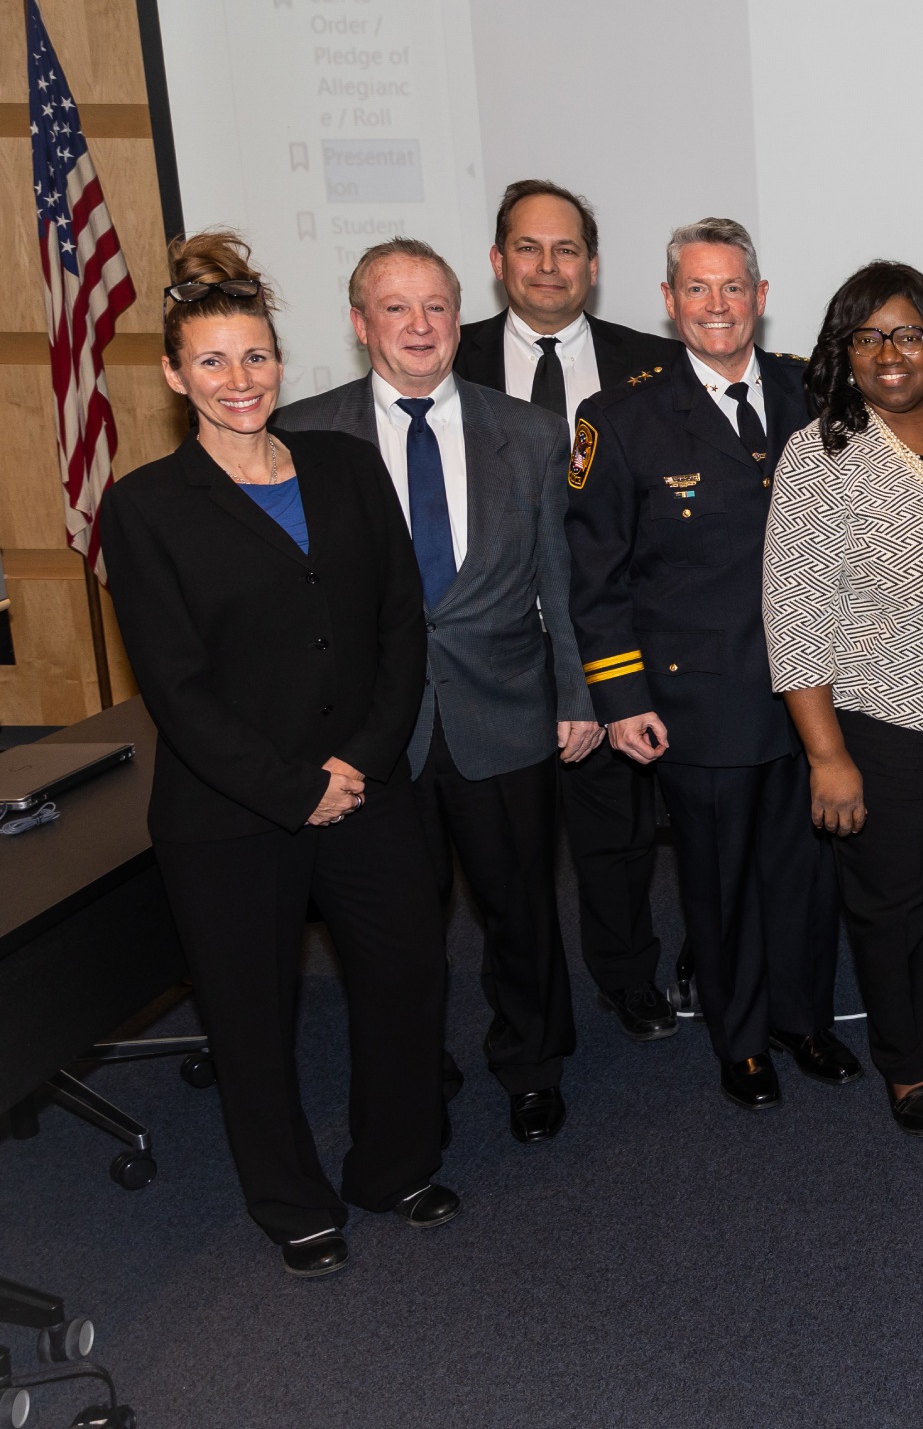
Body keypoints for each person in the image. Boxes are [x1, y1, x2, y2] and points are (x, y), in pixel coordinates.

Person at [103, 231, 457, 1279]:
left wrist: (361, 758)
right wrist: (293, 787)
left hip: (371, 784)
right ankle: (291, 1202)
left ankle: (393, 1168)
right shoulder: (145, 507)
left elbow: (402, 622)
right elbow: (177, 686)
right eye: (211, 361)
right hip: (233, 813)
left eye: (255, 357)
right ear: (175, 375)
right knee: (253, 1019)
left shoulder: (346, 467)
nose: (239, 380)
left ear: (280, 361)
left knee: (408, 981)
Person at [275, 238, 597, 1147]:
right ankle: (420, 1067)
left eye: (437, 308)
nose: (419, 326)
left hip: (505, 711)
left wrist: (578, 695)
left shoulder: (529, 432)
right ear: (358, 322)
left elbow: (561, 580)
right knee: (393, 923)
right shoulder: (305, 435)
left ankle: (532, 1064)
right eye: (396, 308)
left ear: (461, 318)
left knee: (523, 906)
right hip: (374, 728)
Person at [565, 217, 857, 1110]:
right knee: (721, 882)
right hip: (702, 701)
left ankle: (803, 1021)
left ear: (762, 300)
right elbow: (596, 575)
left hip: (817, 691)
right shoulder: (620, 420)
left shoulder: (815, 395)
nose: (717, 305)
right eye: (697, 288)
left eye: (734, 287)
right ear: (668, 303)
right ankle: (740, 1041)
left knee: (807, 874)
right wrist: (619, 697)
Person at [764, 262, 923, 1138]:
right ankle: (910, 1064)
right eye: (866, 337)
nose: (889, 354)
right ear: (843, 352)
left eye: (907, 333)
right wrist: (826, 755)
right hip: (887, 716)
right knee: (895, 901)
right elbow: (794, 611)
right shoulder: (820, 454)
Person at [455, 178, 686, 1041]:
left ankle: (629, 977)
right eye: (528, 247)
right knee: (506, 865)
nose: (547, 266)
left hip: (615, 649)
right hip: (493, 661)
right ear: (497, 261)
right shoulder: (450, 359)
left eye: (566, 250)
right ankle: (527, 1017)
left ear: (591, 265)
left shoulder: (650, 364)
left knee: (619, 840)